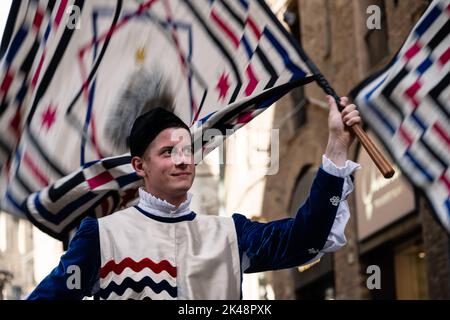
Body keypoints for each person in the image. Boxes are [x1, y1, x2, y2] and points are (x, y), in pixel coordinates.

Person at [28, 96, 361, 300]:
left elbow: (307, 238)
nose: (183, 159)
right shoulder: (102, 237)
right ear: (139, 165)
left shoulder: (232, 234)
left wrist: (336, 144)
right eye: (168, 152)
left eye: (187, 150)